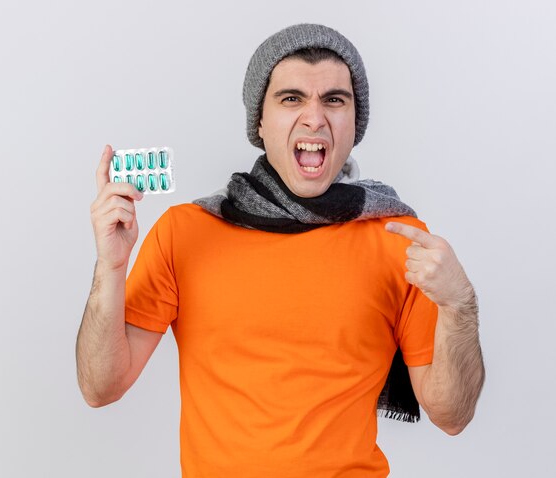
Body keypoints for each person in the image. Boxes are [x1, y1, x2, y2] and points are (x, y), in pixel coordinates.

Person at [76, 23, 485, 477]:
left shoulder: (400, 239)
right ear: (260, 121)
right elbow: (101, 386)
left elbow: (452, 415)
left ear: (355, 123)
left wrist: (460, 304)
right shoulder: (185, 232)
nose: (314, 117)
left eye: (334, 99)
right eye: (292, 99)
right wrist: (110, 266)